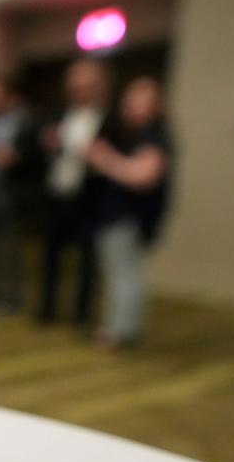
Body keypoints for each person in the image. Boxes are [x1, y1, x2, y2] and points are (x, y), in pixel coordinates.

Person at [87, 76, 172, 349]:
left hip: (127, 218)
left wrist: (103, 158)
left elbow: (143, 175)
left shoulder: (154, 136)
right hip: (118, 216)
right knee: (123, 273)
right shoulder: (132, 134)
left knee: (123, 274)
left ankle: (119, 330)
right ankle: (122, 327)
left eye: (139, 102)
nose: (131, 108)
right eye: (129, 101)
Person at [38, 58, 110, 326]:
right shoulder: (60, 115)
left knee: (86, 260)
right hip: (58, 193)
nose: (78, 90)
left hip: (88, 198)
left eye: (84, 85)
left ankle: (81, 313)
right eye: (75, 85)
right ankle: (47, 308)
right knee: (51, 255)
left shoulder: (107, 118)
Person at [0, 72, 42, 313]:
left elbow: (28, 155)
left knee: (11, 247)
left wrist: (9, 157)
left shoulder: (26, 120)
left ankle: (11, 295)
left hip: (13, 193)